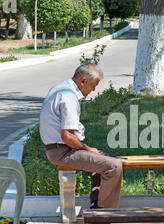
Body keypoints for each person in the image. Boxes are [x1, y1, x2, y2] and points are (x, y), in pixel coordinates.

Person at [39, 63, 123, 209]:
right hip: (63, 152)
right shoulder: (69, 96)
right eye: (93, 85)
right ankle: (105, 211)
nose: (94, 89)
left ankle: (96, 203)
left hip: (57, 149)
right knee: (114, 166)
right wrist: (87, 148)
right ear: (83, 81)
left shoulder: (60, 88)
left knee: (103, 158)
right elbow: (67, 137)